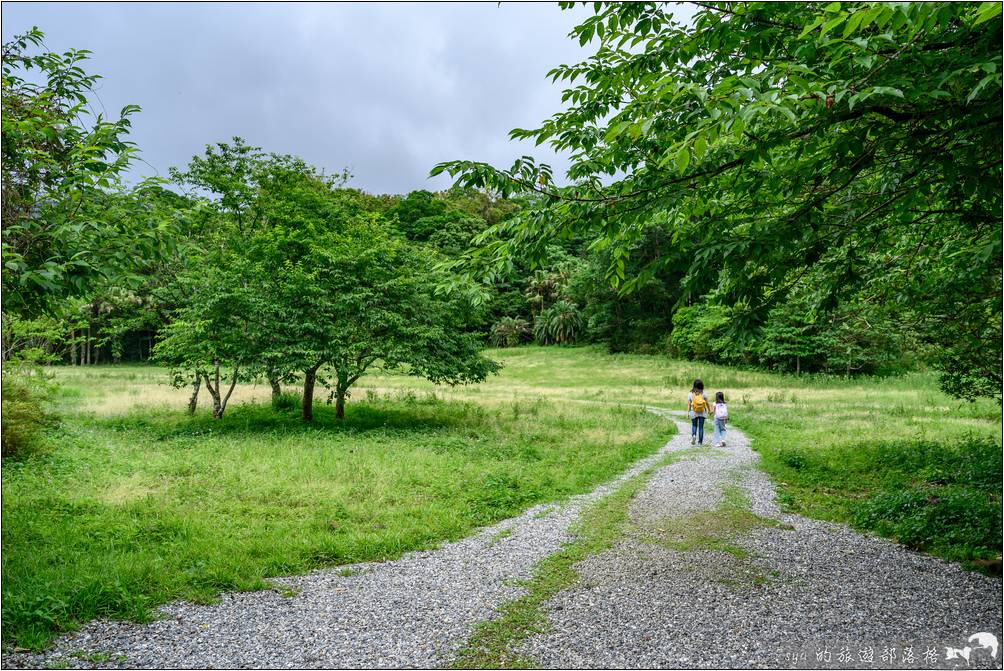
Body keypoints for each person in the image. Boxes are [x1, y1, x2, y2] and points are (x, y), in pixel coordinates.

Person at [687, 379, 709, 445]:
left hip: (694, 412)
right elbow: (707, 403)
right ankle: (700, 442)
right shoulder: (703, 393)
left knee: (694, 425)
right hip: (702, 412)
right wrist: (710, 410)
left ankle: (694, 435)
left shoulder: (691, 393)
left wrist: (688, 412)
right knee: (701, 427)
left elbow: (689, 404)